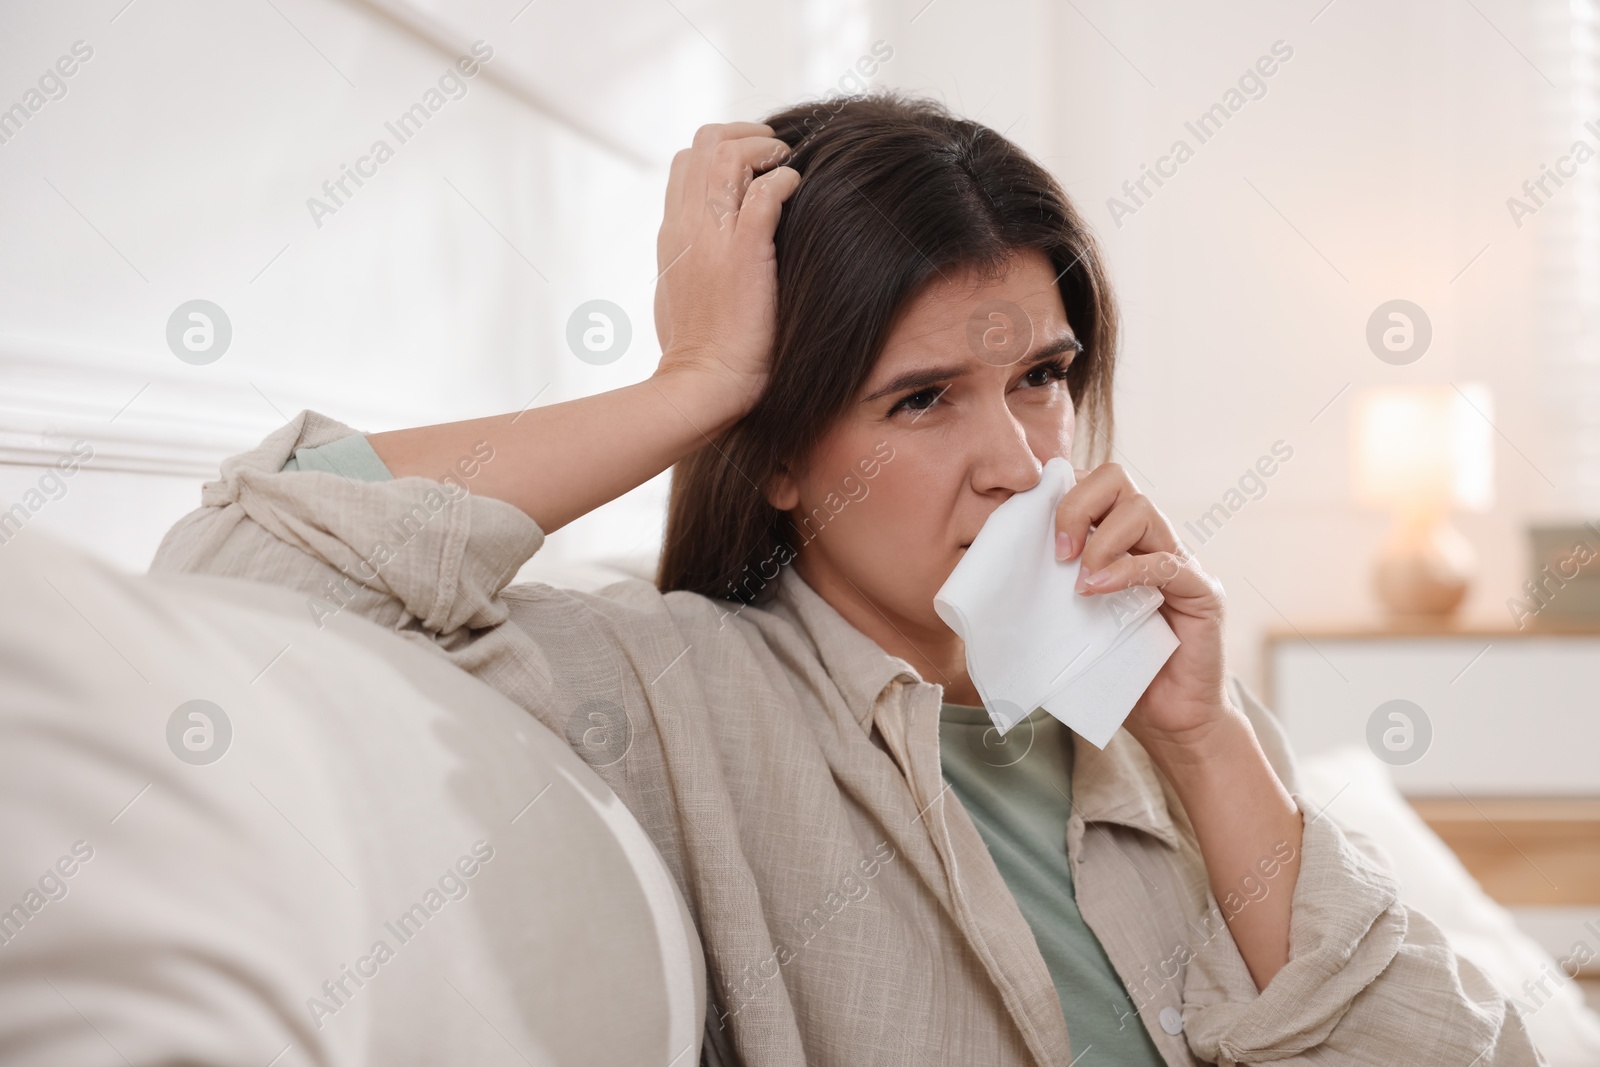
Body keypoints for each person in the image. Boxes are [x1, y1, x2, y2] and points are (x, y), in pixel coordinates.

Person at [151, 89, 1539, 1066]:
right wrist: (690, 383)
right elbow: (242, 592)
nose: (1013, 458)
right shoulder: (670, 687)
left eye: (1044, 380)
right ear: (779, 457)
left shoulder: (1159, 720)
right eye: (923, 398)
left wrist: (1210, 739)